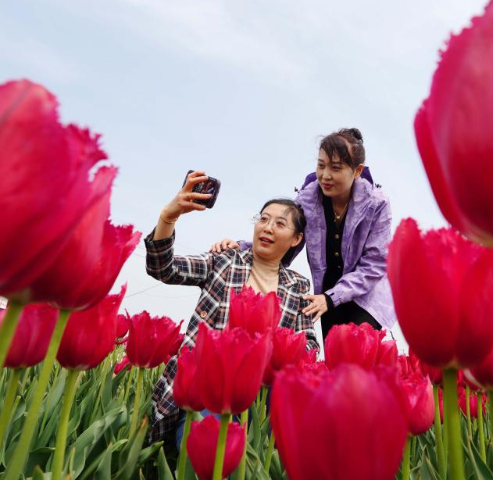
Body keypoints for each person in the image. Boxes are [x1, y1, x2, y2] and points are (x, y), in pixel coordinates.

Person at [145, 170, 319, 445]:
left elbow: (309, 345)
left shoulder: (297, 286)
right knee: (204, 451)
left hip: (263, 394)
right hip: (211, 386)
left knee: (265, 457)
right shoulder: (224, 262)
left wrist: (276, 353)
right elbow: (163, 268)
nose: (268, 227)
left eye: (280, 224)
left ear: (296, 239)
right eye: (263, 219)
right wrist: (169, 216)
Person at [212, 128, 396, 342]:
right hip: (324, 293)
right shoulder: (308, 200)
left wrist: (331, 298)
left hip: (366, 296)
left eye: (335, 168)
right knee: (334, 361)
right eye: (321, 165)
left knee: (356, 353)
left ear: (357, 171)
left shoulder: (377, 204)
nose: (325, 175)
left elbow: (375, 264)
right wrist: (242, 247)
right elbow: (289, 237)